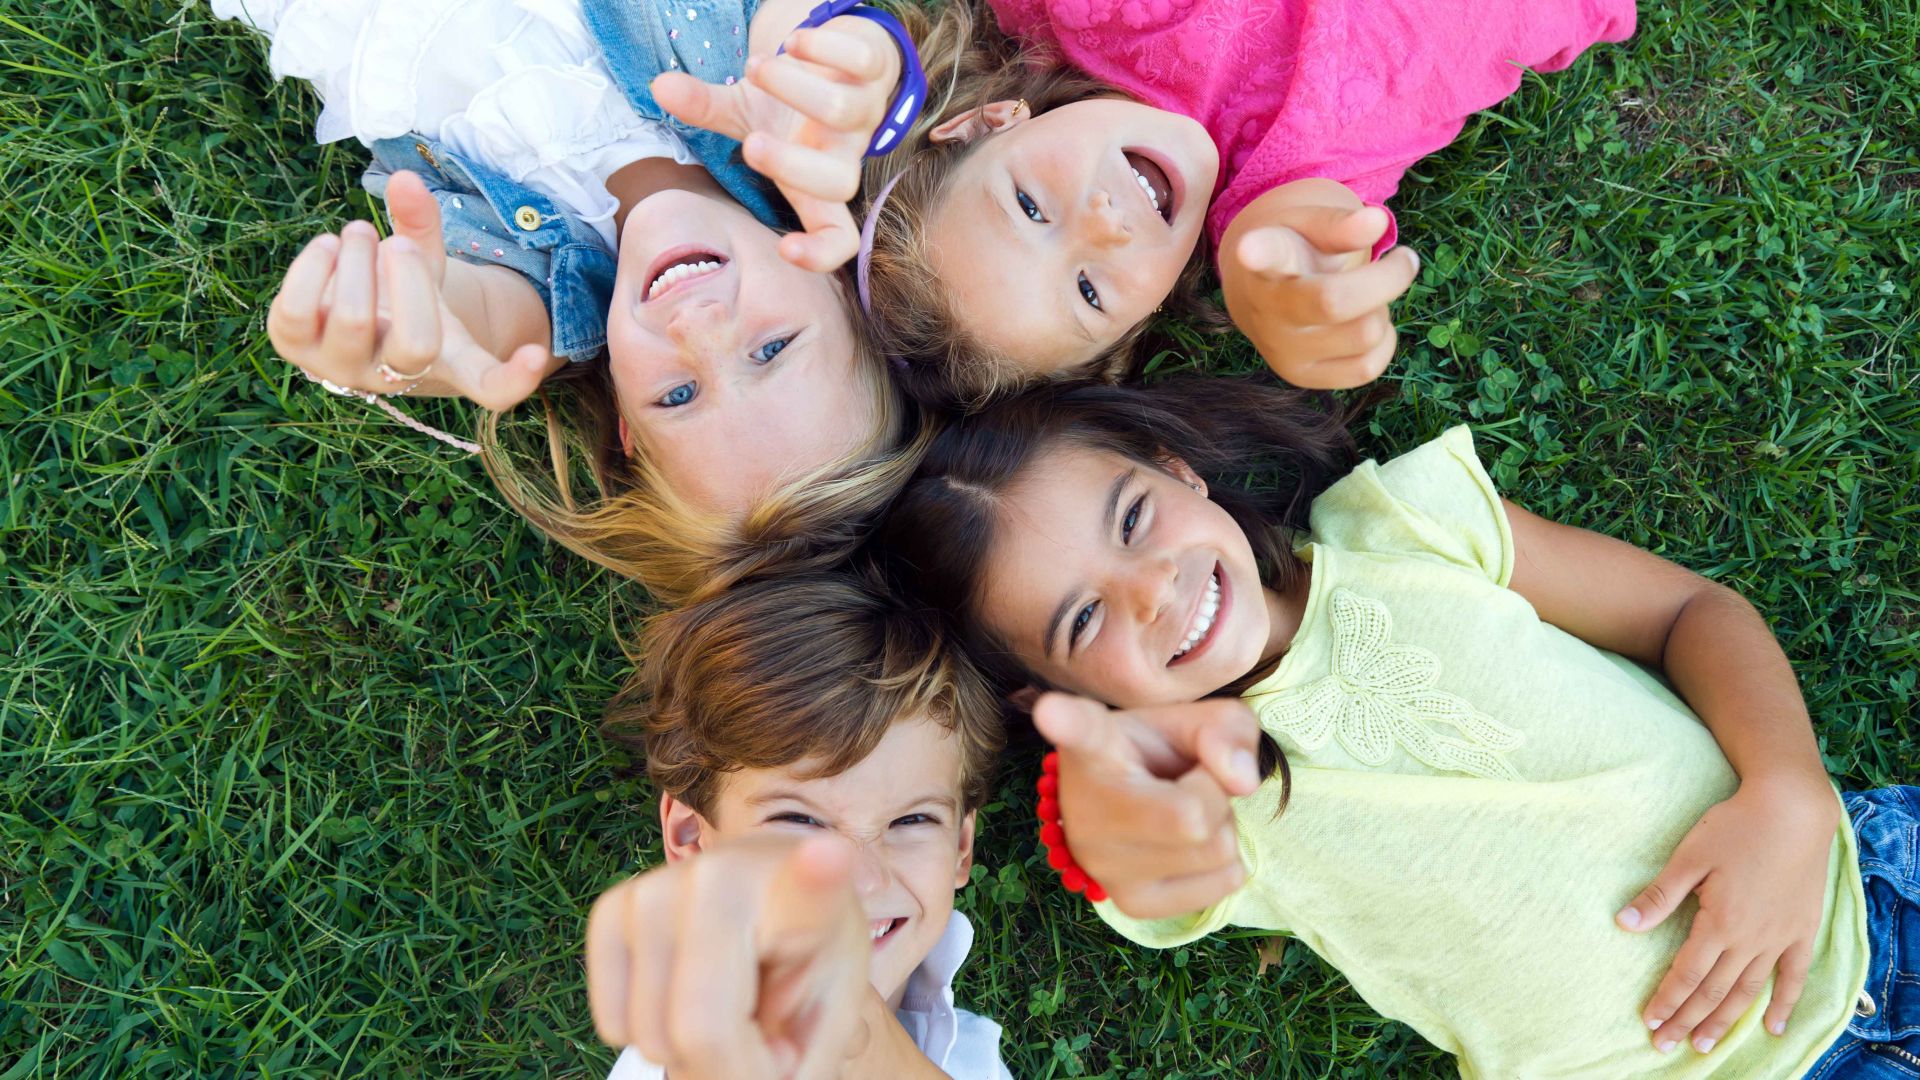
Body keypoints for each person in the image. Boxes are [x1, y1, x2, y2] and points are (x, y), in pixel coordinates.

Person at [875, 375, 1893, 1075]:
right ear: (1053, 697)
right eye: (1084, 619)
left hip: (1872, 901)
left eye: (1134, 519)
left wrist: (1788, 793)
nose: (1151, 591)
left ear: (1175, 466)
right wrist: (1099, 797)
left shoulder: (1402, 527)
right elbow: (1125, 852)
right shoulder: (1204, 804)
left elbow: (1688, 614)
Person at [215, 0, 927, 601]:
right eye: (771, 350)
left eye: (677, 396)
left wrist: (399, 340)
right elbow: (809, 40)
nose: (697, 329)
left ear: (624, 419)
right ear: (845, 292)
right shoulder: (774, 118)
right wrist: (848, 62)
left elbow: (472, 327)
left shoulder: (548, 301)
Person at [854, 0, 1634, 406]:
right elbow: (1292, 232)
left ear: (986, 122)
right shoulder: (1274, 191)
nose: (1100, 225)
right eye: (1089, 291)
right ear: (1136, 327)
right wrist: (1282, 288)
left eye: (1030, 208)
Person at [587, 567, 1013, 1078]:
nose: (864, 878)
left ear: (960, 849)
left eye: (912, 819)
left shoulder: (973, 1060)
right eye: (799, 819)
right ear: (691, 837)